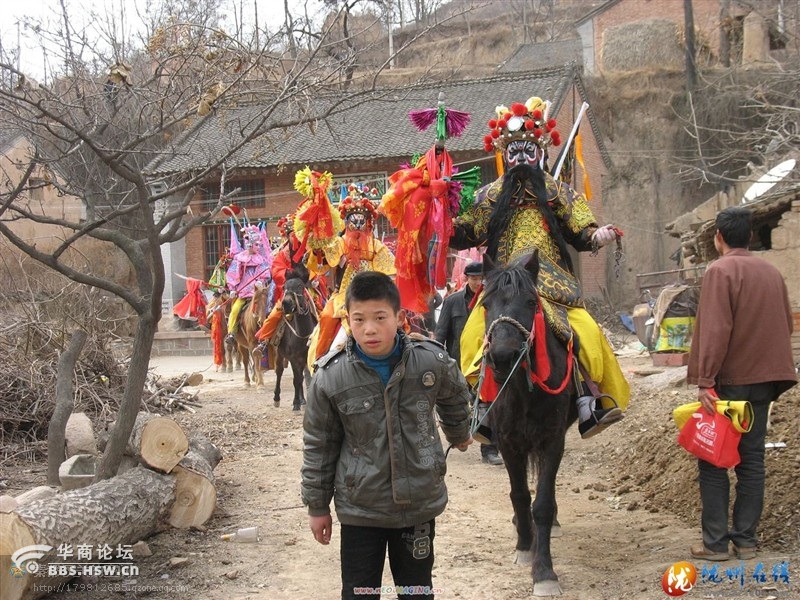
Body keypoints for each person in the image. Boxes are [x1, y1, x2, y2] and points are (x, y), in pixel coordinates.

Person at [450, 96, 630, 439]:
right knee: (473, 335)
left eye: (527, 150)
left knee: (588, 334)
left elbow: (580, 231)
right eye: (513, 150)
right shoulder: (489, 196)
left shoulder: (560, 192)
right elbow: (467, 231)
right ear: (504, 154)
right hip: (504, 286)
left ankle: (590, 401)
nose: (520, 157)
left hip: (553, 283)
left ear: (541, 152)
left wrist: (598, 235)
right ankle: (483, 405)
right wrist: (443, 222)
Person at [301, 272, 473, 600]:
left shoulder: (430, 361)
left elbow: (454, 394)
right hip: (360, 509)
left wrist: (459, 431)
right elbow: (318, 445)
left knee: (415, 591)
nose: (369, 329)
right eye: (359, 319)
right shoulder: (331, 376)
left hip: (417, 505)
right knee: (360, 592)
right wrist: (317, 505)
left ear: (399, 317)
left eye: (380, 318)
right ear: (347, 320)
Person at [686, 206, 796, 562]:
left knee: (714, 460)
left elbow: (716, 330)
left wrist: (705, 380)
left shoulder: (720, 270)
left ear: (718, 237)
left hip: (729, 384)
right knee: (751, 460)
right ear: (749, 235)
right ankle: (746, 541)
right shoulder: (772, 272)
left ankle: (715, 543)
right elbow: (786, 326)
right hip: (765, 382)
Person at [309, 186, 396, 363]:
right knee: (326, 317)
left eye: (361, 220)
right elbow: (323, 262)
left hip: (374, 295)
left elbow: (390, 272)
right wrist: (318, 248)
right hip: (344, 296)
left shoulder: (376, 246)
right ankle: (321, 362)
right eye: (353, 221)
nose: (357, 225)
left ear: (367, 222)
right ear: (346, 222)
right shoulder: (339, 243)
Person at [434, 261, 501, 466]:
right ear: (466, 279)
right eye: (473, 278)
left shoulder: (492, 301)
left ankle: (489, 449)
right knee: (460, 405)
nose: (477, 282)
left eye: (481, 278)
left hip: (485, 363)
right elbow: (442, 332)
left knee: (486, 403)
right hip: (458, 364)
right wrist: (437, 357)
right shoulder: (453, 302)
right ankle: (461, 436)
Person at [224, 224, 273, 343]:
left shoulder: (261, 259)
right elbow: (233, 274)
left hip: (258, 292)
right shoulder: (239, 258)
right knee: (235, 310)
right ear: (249, 244)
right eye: (256, 244)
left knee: (270, 308)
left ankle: (272, 332)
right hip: (243, 292)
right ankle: (232, 333)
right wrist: (232, 289)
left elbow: (264, 273)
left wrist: (261, 281)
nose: (258, 246)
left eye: (259, 244)